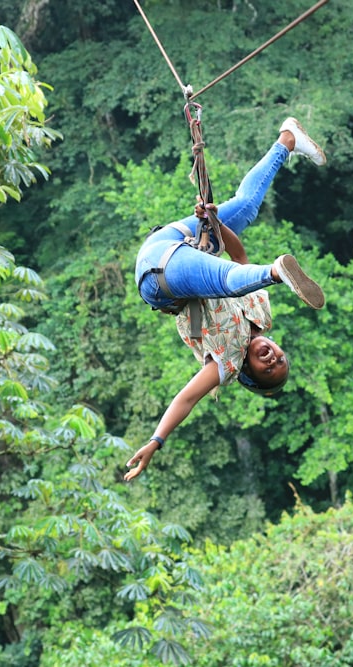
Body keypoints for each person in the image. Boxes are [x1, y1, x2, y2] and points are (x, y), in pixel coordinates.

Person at [125, 117, 326, 481]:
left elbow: (185, 399)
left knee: (229, 282)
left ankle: (277, 273)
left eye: (268, 367)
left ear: (248, 371)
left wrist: (156, 440)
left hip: (160, 278)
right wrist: (216, 224)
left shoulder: (225, 365)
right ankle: (288, 139)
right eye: (280, 358)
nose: (272, 357)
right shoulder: (261, 314)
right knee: (245, 208)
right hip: (171, 243)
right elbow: (239, 257)